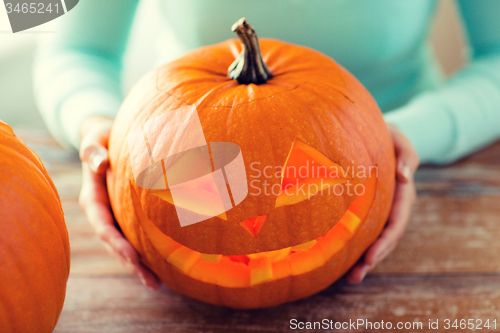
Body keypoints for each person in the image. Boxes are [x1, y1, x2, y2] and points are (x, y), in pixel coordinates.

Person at [34, 0, 500, 290]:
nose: (255, 225)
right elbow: (74, 47)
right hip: (188, 155)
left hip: (383, 156)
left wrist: (401, 141)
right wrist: (102, 134)